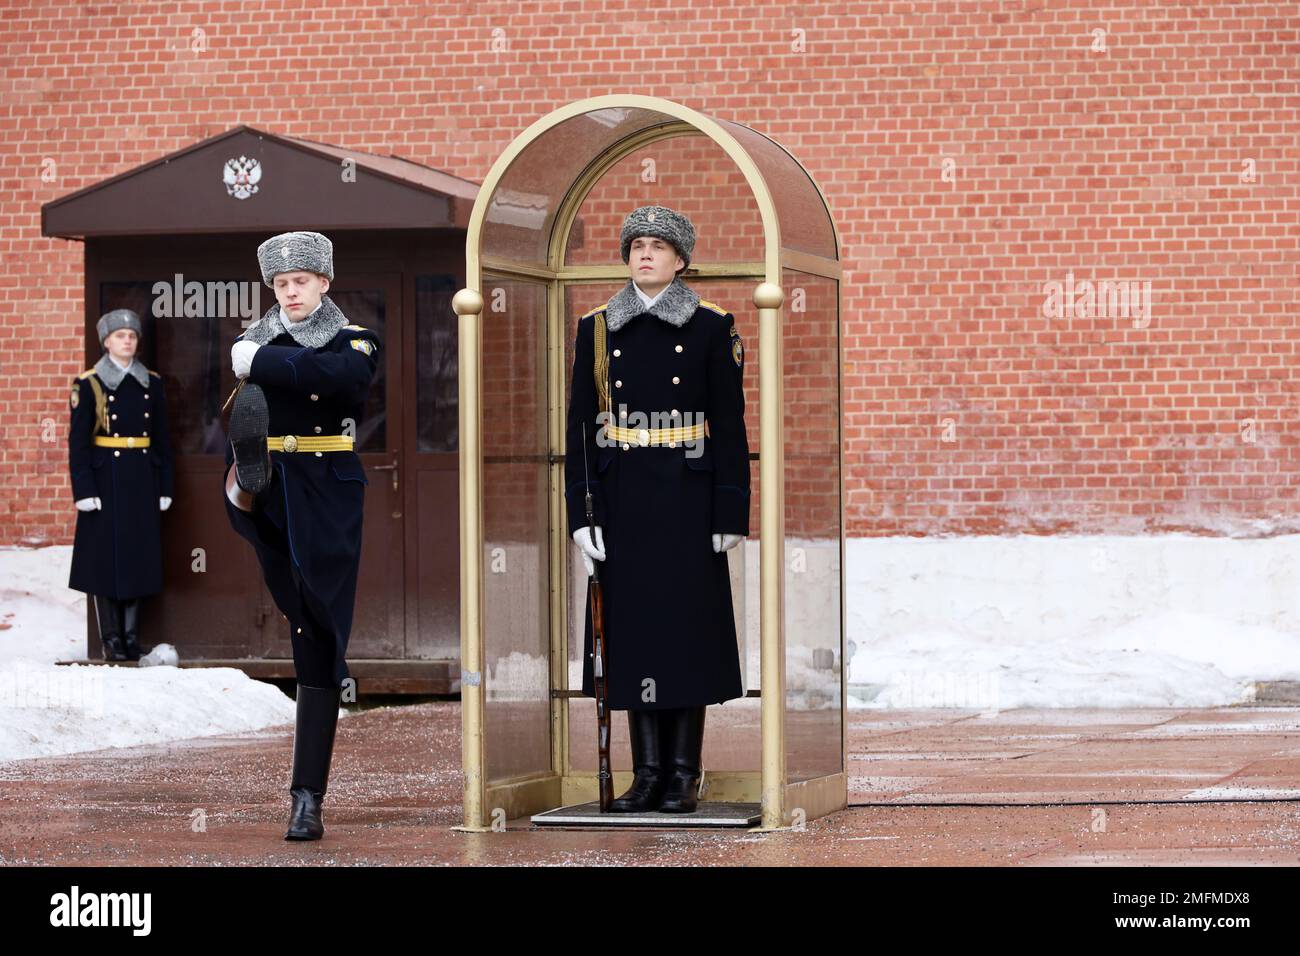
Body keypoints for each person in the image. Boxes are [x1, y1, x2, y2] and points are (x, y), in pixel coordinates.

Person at [565, 205, 750, 813]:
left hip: (689, 498)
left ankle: (682, 773)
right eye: (636, 245)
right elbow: (580, 432)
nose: (645, 254)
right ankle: (645, 775)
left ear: (680, 259)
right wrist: (582, 513)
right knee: (635, 632)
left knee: (684, 632)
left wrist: (729, 514)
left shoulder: (708, 326)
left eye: (658, 246)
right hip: (624, 499)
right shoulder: (596, 328)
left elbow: (728, 425)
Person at [221, 230, 380, 840]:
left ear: (324, 283)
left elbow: (339, 380)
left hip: (330, 488)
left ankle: (306, 796)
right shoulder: (252, 340)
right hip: (271, 486)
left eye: (300, 282)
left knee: (318, 627)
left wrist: (260, 363)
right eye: (281, 284)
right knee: (301, 615)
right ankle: (240, 488)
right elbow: (236, 412)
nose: (290, 292)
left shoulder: (355, 340)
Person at [67, 308, 174, 662]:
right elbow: (78, 442)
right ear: (106, 342)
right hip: (104, 480)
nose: (127, 341)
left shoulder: (151, 382)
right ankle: (111, 639)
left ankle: (130, 638)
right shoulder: (90, 383)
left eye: (132, 336)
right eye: (120, 336)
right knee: (104, 560)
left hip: (141, 477)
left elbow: (162, 440)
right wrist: (83, 490)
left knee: (137, 557)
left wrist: (164, 486)